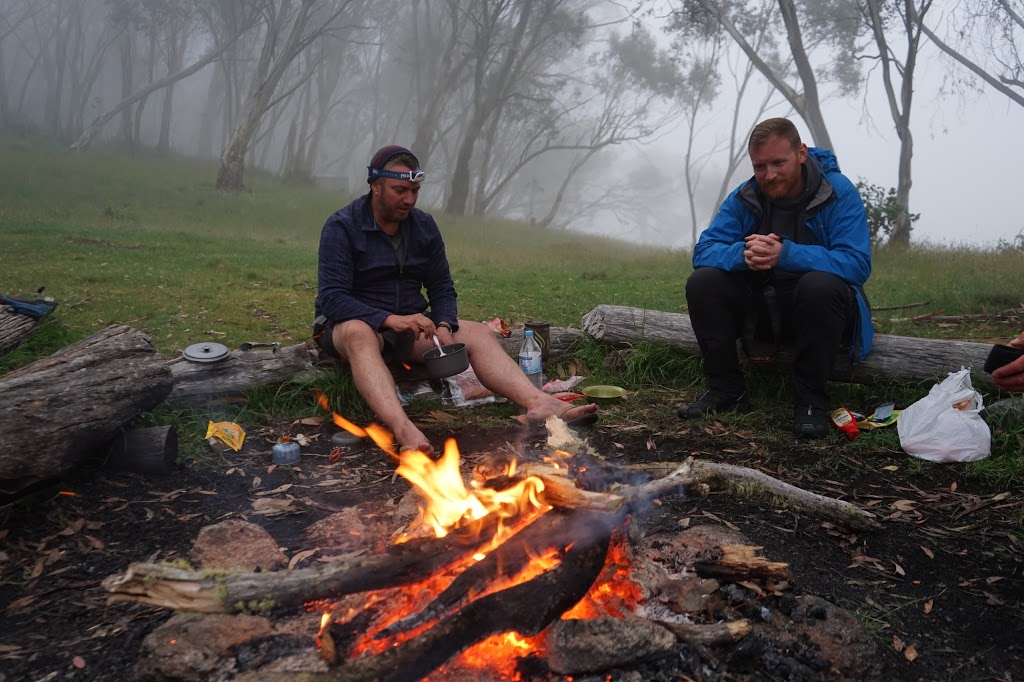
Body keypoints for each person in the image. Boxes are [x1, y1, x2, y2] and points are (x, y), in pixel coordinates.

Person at [313, 145, 596, 455]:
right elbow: (333, 299)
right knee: (358, 331)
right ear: (375, 185)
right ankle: (404, 428)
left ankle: (538, 402)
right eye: (400, 190)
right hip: (351, 328)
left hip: (408, 328)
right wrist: (390, 319)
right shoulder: (342, 227)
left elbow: (441, 286)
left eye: (415, 190)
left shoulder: (423, 227)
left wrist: (445, 322)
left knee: (477, 332)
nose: (409, 199)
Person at [678, 117, 873, 438]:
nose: (769, 175)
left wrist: (786, 254)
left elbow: (857, 263)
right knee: (703, 282)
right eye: (760, 166)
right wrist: (742, 255)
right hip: (764, 313)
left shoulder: (837, 191)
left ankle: (811, 402)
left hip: (824, 317)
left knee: (819, 285)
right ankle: (726, 388)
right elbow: (704, 252)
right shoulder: (747, 196)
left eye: (778, 163)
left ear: (801, 153)